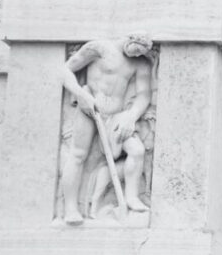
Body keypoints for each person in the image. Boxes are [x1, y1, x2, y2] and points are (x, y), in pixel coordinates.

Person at [59, 32, 154, 224]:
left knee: (137, 150)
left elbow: (144, 94)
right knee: (78, 155)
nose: (137, 54)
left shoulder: (141, 63)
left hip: (116, 116)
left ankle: (131, 197)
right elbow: (65, 70)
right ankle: (70, 209)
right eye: (136, 50)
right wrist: (81, 95)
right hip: (89, 108)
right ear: (130, 39)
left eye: (141, 52)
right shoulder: (99, 48)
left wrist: (131, 116)